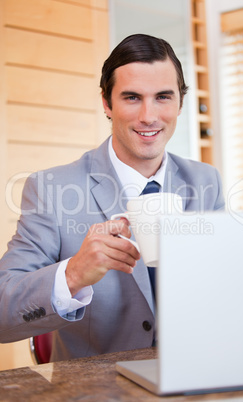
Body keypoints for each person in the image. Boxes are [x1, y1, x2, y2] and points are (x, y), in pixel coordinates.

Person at [0, 34, 225, 362]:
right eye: (132, 97)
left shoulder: (207, 182)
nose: (149, 116)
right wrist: (74, 273)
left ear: (180, 102)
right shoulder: (52, 188)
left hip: (195, 375)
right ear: (107, 102)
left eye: (163, 97)